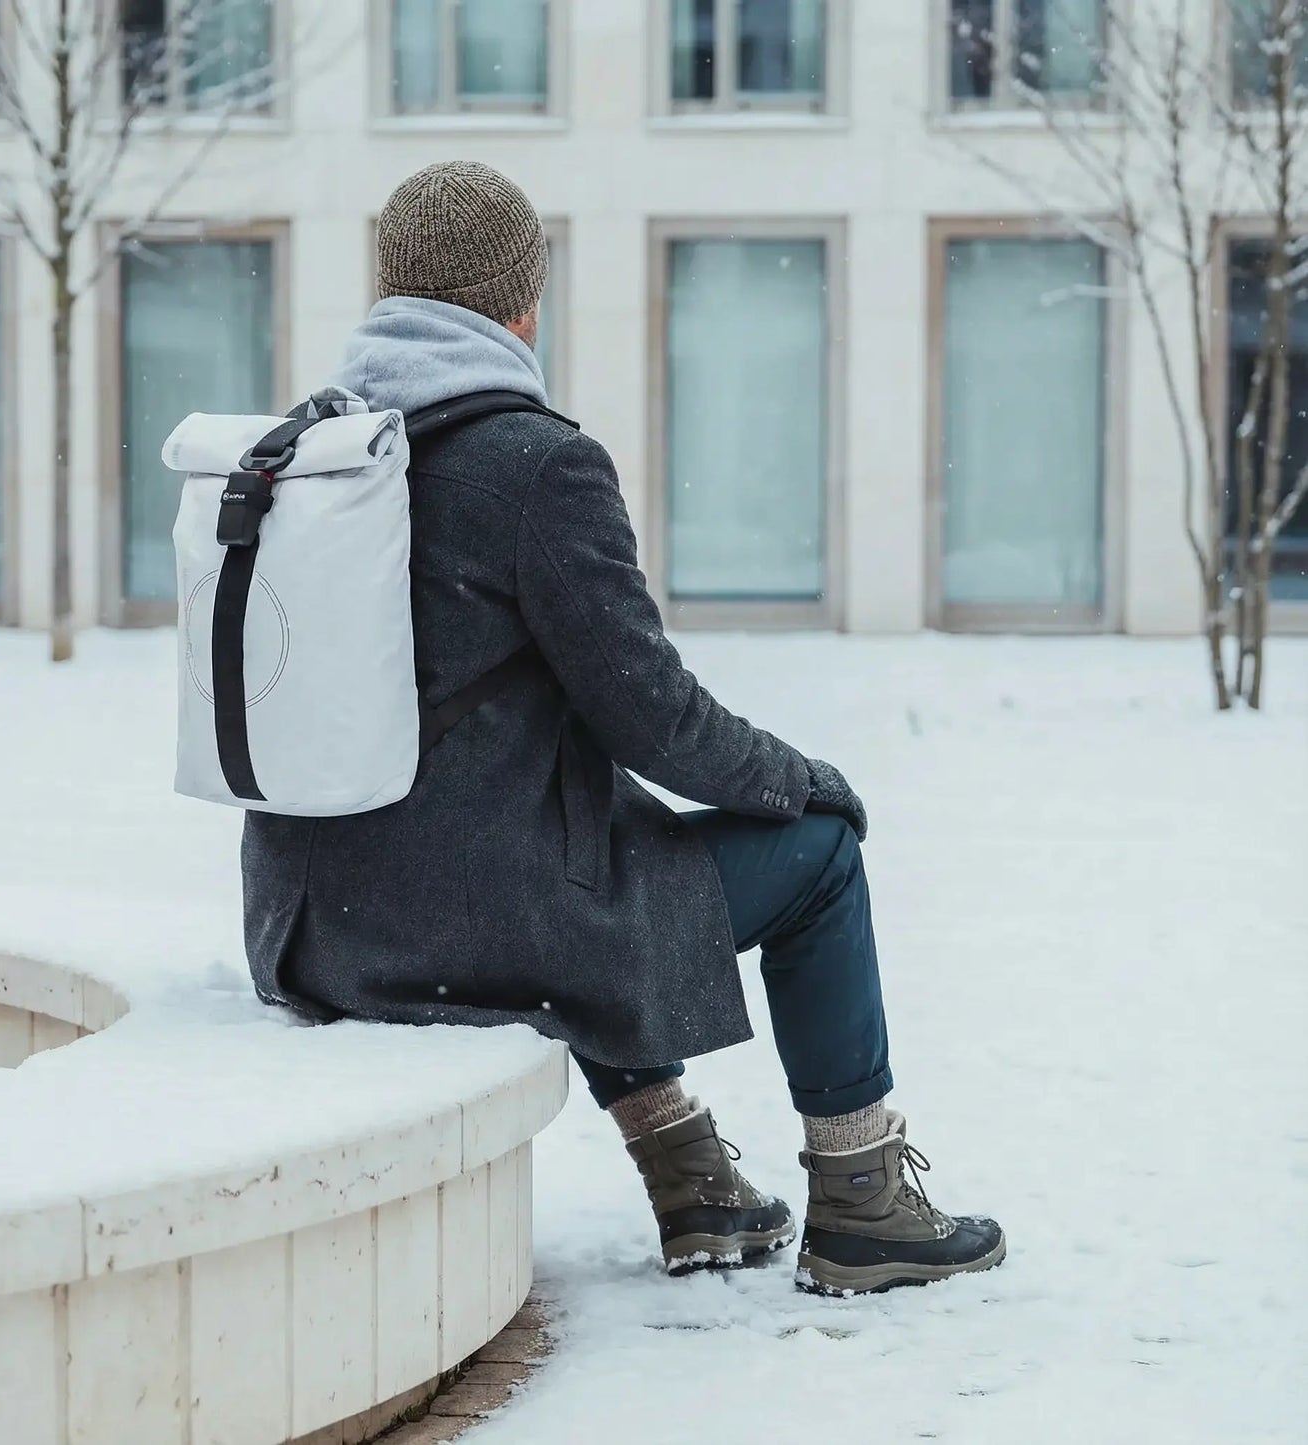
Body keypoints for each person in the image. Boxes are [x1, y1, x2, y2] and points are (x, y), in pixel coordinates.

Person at [242, 161, 1004, 1296]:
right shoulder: (536, 462)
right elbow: (654, 715)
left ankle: (690, 1176)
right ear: (521, 303)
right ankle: (862, 1204)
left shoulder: (318, 450)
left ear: (393, 285)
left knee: (596, 848)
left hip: (312, 922)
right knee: (814, 861)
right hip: (455, 933)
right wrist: (802, 782)